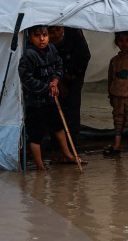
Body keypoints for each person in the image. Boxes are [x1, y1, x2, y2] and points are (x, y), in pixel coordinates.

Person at [19, 25, 84, 171]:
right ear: (30, 37)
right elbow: (26, 79)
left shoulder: (52, 49)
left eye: (45, 35)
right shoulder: (28, 55)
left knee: (58, 125)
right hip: (35, 102)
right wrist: (46, 87)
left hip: (51, 98)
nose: (42, 39)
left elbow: (59, 66)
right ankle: (40, 165)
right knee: (36, 134)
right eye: (37, 35)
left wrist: (55, 81)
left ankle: (67, 154)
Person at [48, 25, 91, 136]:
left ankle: (72, 140)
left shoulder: (73, 31)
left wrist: (73, 75)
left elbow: (84, 56)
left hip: (75, 73)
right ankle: (55, 140)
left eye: (58, 30)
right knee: (54, 108)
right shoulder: (43, 38)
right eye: (52, 32)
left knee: (72, 106)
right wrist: (59, 81)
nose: (57, 35)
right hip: (54, 77)